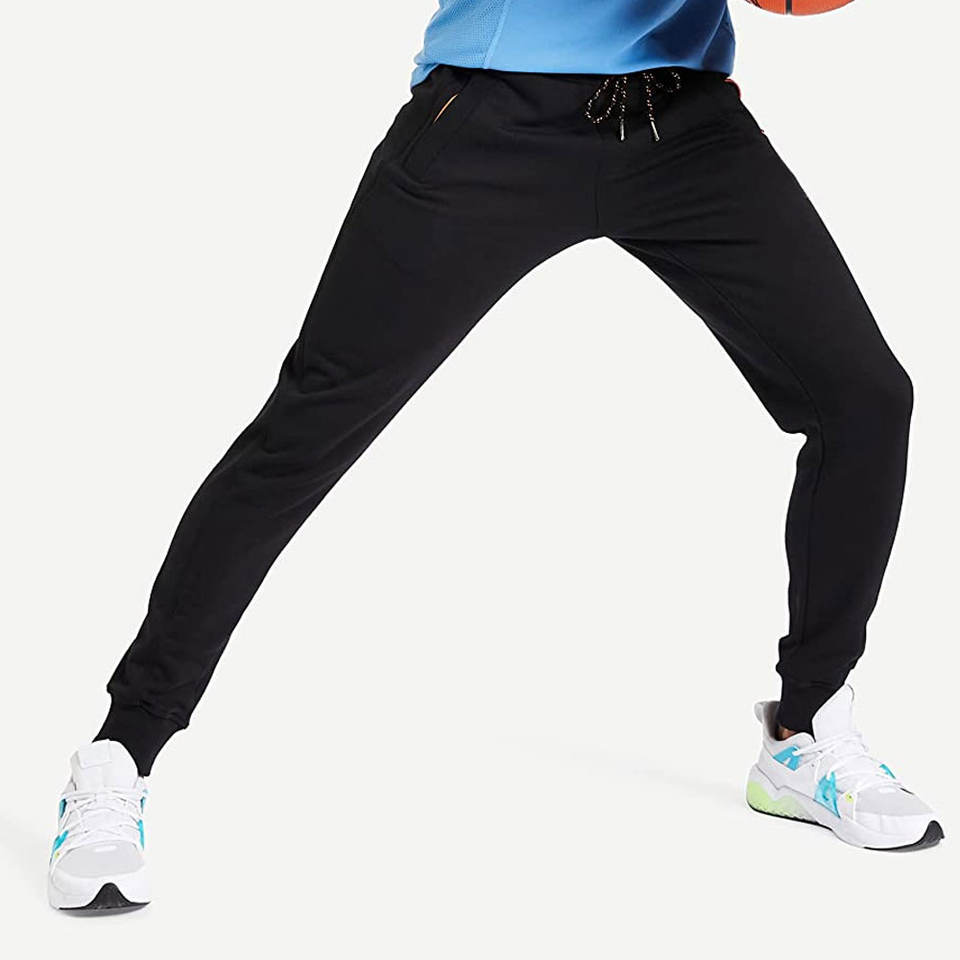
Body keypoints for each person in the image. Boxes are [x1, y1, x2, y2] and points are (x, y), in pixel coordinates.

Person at [47, 0, 943, 912]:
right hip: (493, 120)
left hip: (680, 120)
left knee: (865, 400)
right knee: (304, 434)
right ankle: (122, 749)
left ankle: (803, 731)